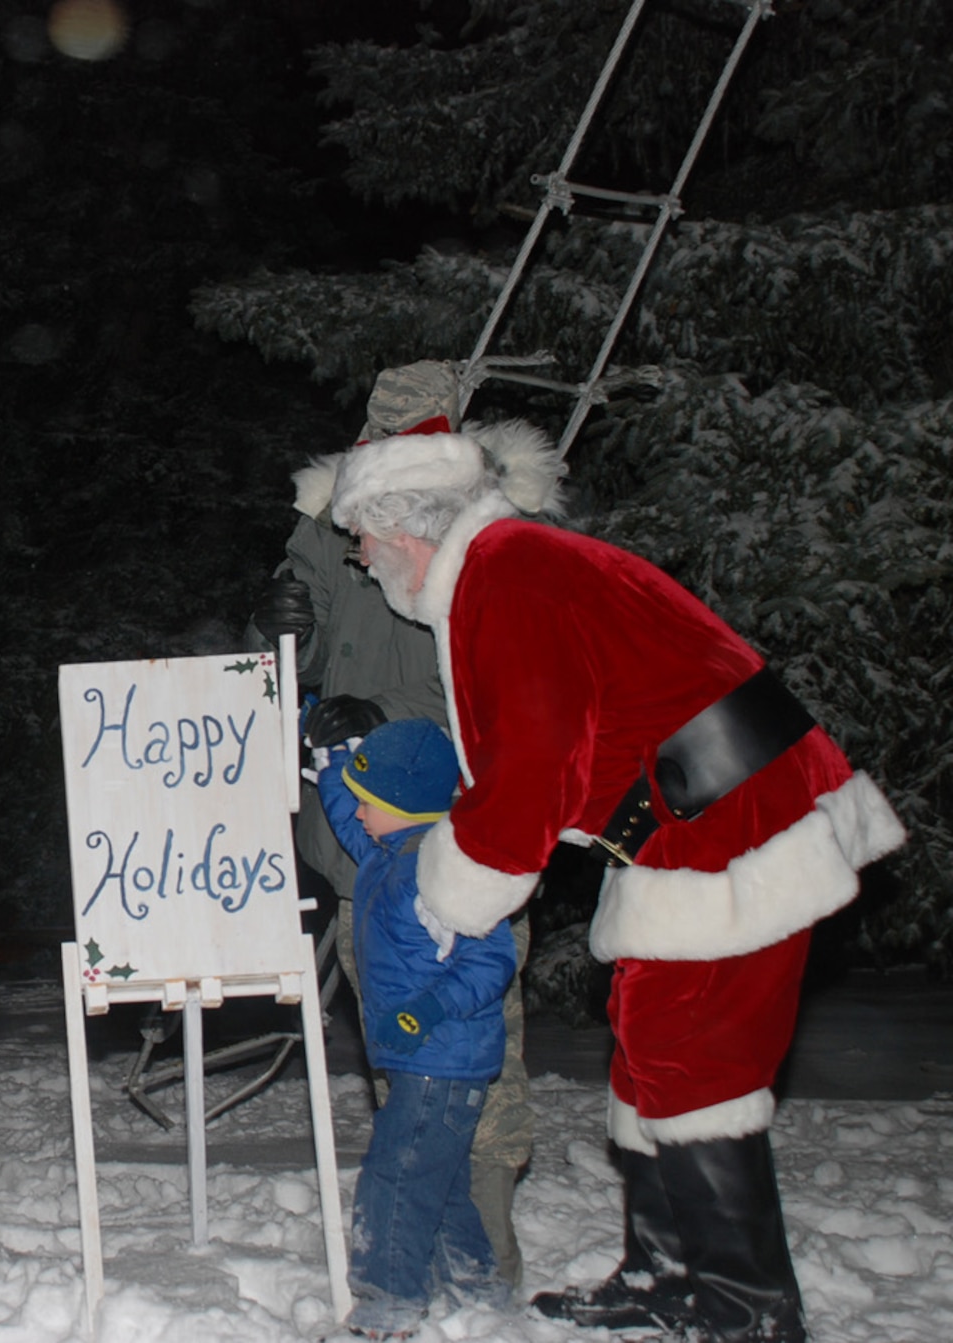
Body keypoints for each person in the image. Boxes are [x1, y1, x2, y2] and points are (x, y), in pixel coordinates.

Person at [328, 426, 907, 1343]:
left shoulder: (506, 581)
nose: (360, 560)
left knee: (695, 1048)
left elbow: (530, 767)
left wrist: (451, 895)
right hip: (684, 823)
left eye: (360, 536)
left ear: (402, 527)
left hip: (737, 817)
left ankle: (746, 1305)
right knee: (650, 1039)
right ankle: (665, 1268)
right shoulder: (499, 571)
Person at [247, 360, 560, 1286]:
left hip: (464, 845)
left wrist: (379, 710)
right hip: (357, 850)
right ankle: (428, 1264)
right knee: (401, 1067)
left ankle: (486, 1267)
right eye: (378, 432)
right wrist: (274, 625)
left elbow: (499, 690)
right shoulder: (329, 517)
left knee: (475, 1070)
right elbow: (290, 660)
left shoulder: (498, 535)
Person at [315, 717, 516, 1340]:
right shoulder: (387, 851)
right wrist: (328, 765)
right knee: (443, 1180)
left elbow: (491, 960)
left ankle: (386, 1306)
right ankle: (478, 1291)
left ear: (399, 805)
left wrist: (424, 1011)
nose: (358, 812)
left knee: (396, 1178)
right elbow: (349, 817)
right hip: (425, 1062)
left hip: (442, 1059)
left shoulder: (441, 872)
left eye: (368, 800)